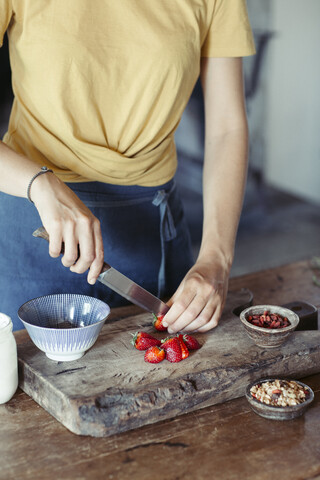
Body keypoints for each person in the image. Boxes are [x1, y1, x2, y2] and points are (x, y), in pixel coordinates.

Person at [0, 0, 255, 332]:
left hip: (149, 229)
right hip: (32, 220)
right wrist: (40, 183)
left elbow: (227, 129)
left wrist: (216, 259)